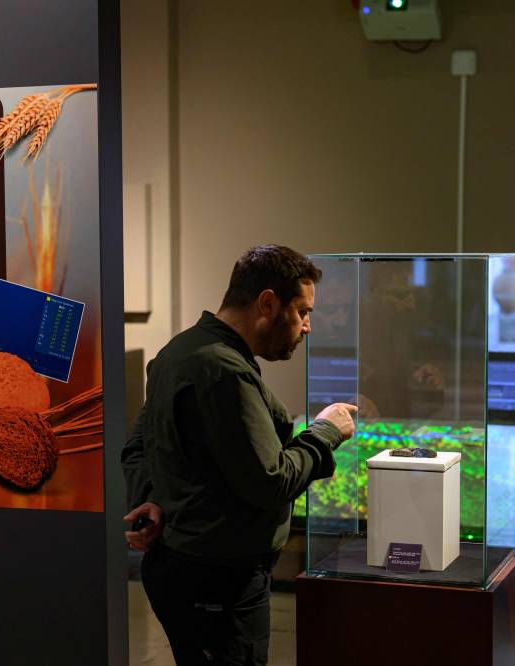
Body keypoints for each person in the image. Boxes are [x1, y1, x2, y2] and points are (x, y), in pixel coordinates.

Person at [121, 244, 357, 665]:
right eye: (303, 312)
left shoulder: (180, 351)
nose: (307, 327)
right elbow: (271, 481)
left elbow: (141, 442)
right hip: (220, 582)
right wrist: (325, 432)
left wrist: (148, 497)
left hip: (184, 568)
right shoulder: (224, 372)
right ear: (268, 303)